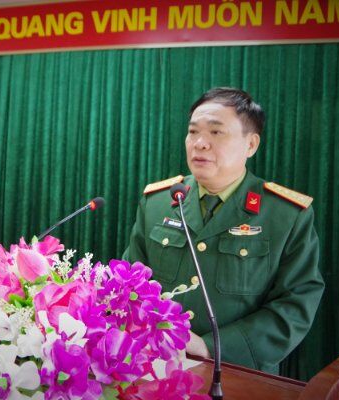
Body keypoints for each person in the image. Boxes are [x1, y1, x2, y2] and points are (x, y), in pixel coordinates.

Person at [122, 87, 324, 374]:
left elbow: (296, 305)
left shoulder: (285, 215)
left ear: (251, 144)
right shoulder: (157, 203)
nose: (200, 143)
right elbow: (131, 285)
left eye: (216, 132)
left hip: (239, 374)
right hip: (157, 365)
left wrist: (213, 348)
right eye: (193, 132)